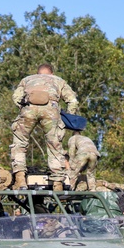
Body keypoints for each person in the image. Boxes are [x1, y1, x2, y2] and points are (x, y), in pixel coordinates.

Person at [10, 63, 79, 191]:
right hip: (51, 111)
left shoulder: (26, 79)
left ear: (38, 73)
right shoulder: (59, 81)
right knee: (54, 146)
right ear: (51, 73)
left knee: (19, 143)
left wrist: (24, 108)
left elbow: (16, 97)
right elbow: (73, 101)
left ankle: (20, 180)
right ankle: (57, 184)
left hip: (28, 109)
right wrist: (69, 116)